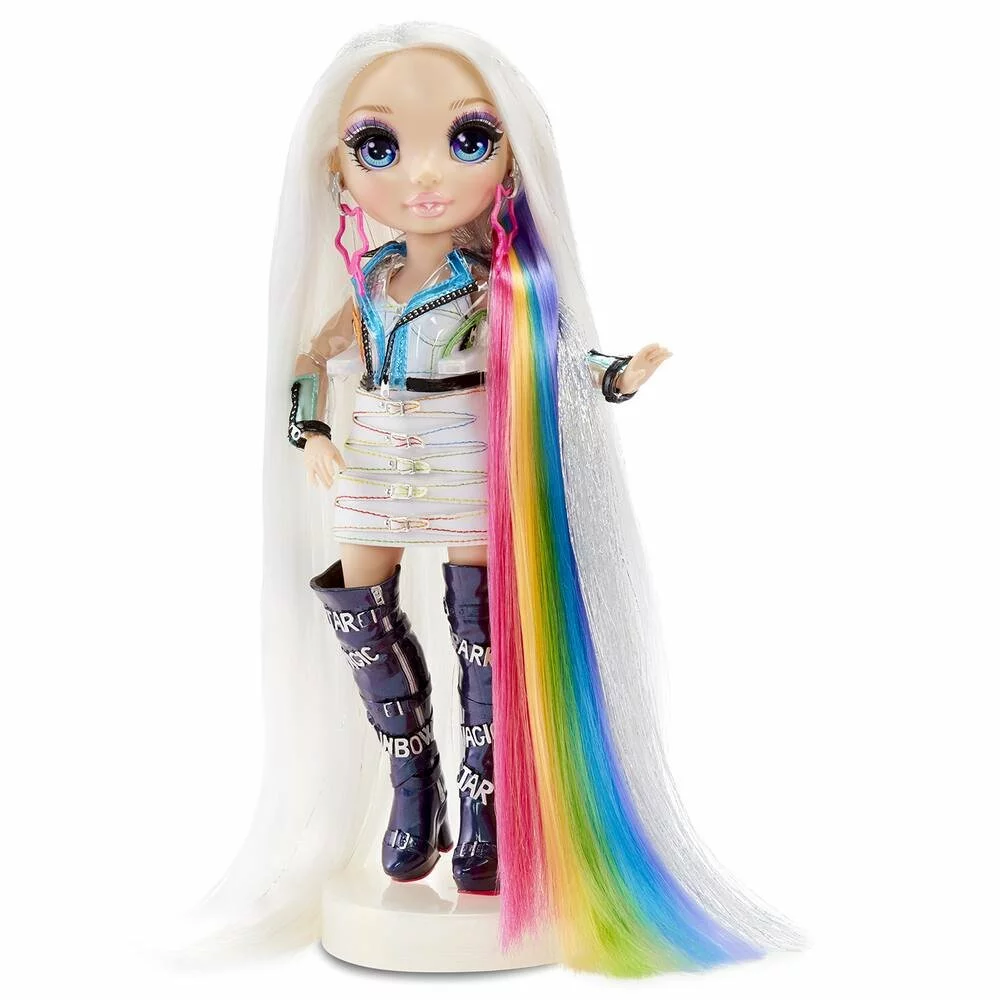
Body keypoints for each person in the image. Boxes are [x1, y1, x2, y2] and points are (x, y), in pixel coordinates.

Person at [205, 22, 802, 976]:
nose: (424, 175)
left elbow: (560, 358)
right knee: (360, 608)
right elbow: (316, 358)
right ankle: (415, 782)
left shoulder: (500, 286)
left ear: (510, 161)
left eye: (468, 139)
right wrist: (311, 430)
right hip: (381, 450)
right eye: (379, 146)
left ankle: (484, 797)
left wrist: (616, 375)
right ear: (340, 171)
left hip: (466, 453)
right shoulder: (370, 279)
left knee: (483, 628)